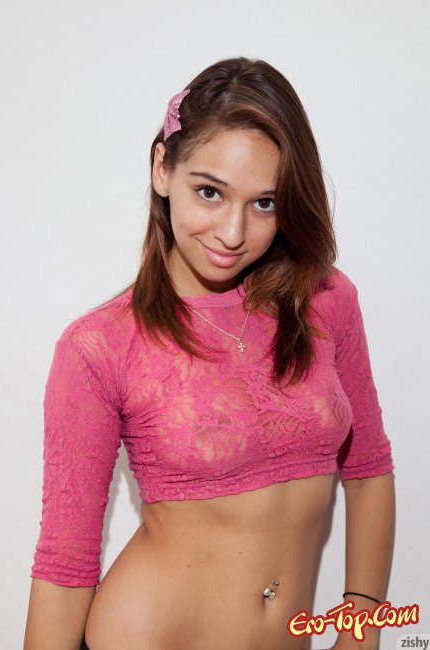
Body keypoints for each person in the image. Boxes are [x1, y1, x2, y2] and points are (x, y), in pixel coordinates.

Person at [23, 56, 395, 650]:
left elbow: (369, 469)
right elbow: (66, 563)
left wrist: (362, 628)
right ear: (161, 169)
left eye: (264, 203)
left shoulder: (327, 301)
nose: (232, 232)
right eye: (209, 192)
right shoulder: (99, 346)